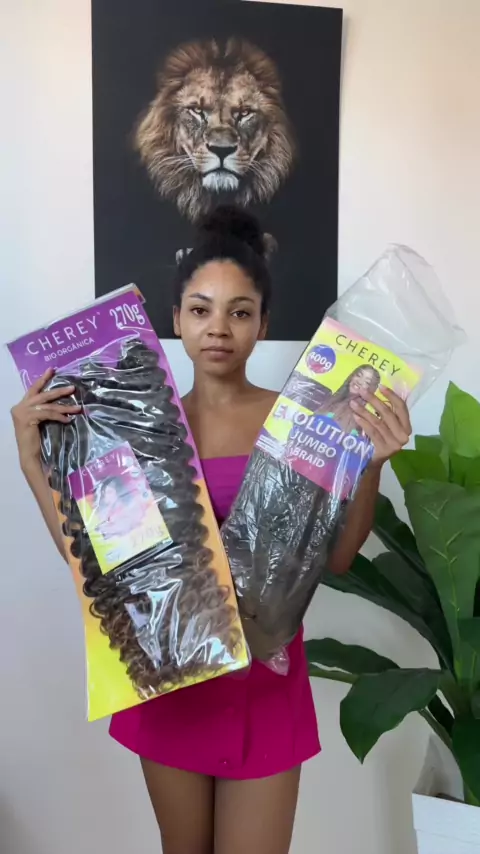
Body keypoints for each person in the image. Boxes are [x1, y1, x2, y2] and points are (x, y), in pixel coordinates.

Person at [11, 205, 412, 854]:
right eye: (200, 309)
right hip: (173, 686)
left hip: (266, 686)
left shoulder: (298, 424)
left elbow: (337, 558)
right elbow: (103, 572)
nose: (218, 328)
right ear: (175, 320)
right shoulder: (136, 430)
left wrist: (368, 465)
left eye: (239, 311)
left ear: (263, 324)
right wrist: (34, 461)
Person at [316, 365, 381, 433]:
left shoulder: (358, 419)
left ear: (370, 389)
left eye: (367, 382)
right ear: (352, 377)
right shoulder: (331, 400)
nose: (359, 382)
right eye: (358, 375)